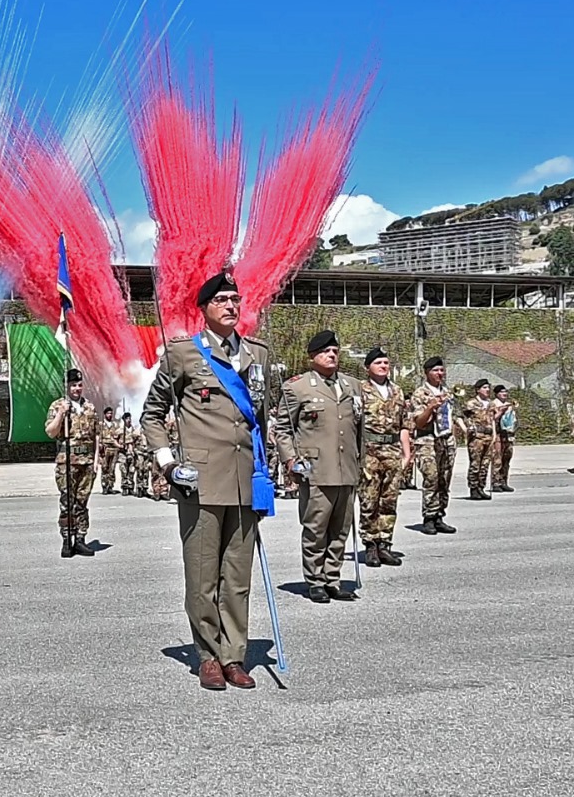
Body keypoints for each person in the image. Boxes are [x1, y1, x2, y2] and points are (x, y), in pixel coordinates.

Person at [144, 271, 273, 690]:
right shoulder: (183, 355)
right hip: (199, 481)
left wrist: (265, 471)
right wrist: (167, 463)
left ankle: (234, 655)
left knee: (237, 576)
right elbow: (152, 413)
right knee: (202, 576)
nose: (231, 306)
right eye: (222, 300)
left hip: (244, 480)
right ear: (204, 309)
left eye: (236, 299)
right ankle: (207, 656)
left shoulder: (258, 355)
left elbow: (262, 420)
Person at [276, 329, 362, 603]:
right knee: (316, 528)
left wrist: (361, 460)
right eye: (326, 352)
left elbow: (359, 428)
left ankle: (333, 578)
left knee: (340, 529)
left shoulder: (352, 385)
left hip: (346, 468)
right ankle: (314, 579)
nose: (332, 355)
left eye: (335, 351)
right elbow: (283, 429)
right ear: (313, 356)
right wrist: (290, 460)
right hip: (315, 469)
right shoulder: (297, 387)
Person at [357, 348, 409, 568]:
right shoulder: (360, 389)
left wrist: (407, 452)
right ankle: (370, 544)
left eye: (386, 362)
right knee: (369, 499)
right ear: (368, 366)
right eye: (378, 362)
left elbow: (404, 424)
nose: (383, 366)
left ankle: (384, 544)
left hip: (392, 449)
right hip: (369, 450)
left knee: (389, 500)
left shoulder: (397, 391)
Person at [44, 368, 97, 558]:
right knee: (67, 502)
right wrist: (61, 414)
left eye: (79, 385)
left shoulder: (89, 407)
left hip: (87, 463)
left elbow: (95, 437)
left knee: (81, 503)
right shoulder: (58, 405)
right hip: (67, 462)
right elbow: (50, 432)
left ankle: (81, 539)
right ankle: (67, 540)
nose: (77, 388)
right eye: (73, 385)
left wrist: (96, 461)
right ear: (66, 386)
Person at [410, 357, 457, 535]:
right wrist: (430, 408)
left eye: (441, 370)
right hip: (427, 440)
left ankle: (439, 515)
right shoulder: (420, 394)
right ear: (427, 372)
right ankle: (429, 517)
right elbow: (420, 423)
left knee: (444, 479)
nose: (440, 374)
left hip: (446, 440)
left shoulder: (447, 392)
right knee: (431, 478)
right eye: (435, 370)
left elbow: (452, 416)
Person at [463, 378, 497, 501]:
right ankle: (473, 488)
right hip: (477, 437)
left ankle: (481, 487)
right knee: (475, 464)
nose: (487, 390)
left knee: (485, 464)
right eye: (484, 388)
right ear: (478, 390)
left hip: (488, 435)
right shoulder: (472, 403)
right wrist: (469, 428)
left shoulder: (491, 404)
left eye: (488, 387)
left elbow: (492, 419)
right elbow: (464, 417)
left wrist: (494, 434)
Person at [491, 385, 517, 493]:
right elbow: (492, 419)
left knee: (507, 458)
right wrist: (501, 411)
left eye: (505, 392)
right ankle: (495, 482)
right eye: (502, 392)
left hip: (508, 434)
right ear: (497, 394)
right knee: (497, 458)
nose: (504, 394)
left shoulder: (509, 405)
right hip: (497, 433)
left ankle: (504, 481)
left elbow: (513, 419)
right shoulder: (493, 404)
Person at [97, 406, 123, 494]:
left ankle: (110, 486)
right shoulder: (101, 425)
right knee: (105, 468)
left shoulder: (115, 425)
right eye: (108, 413)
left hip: (114, 448)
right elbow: (98, 436)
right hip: (105, 448)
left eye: (111, 413)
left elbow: (119, 436)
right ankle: (104, 486)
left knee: (112, 468)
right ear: (105, 414)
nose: (110, 415)